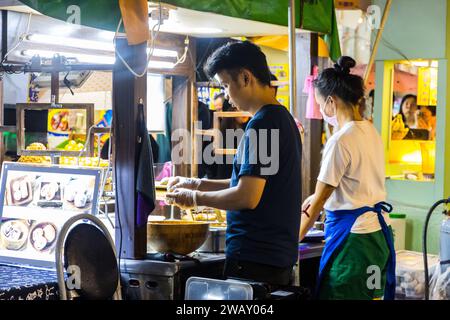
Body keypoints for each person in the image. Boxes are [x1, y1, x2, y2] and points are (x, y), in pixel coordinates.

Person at [164, 41, 302, 286]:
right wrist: (195, 183)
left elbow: (246, 197)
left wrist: (194, 199)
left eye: (226, 85)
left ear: (246, 78)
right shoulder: (280, 118)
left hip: (255, 260)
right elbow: (246, 183)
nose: (226, 95)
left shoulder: (262, 125)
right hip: (271, 259)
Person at [299, 56, 396, 300]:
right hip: (378, 236)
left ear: (330, 101)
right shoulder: (370, 131)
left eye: (321, 104)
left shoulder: (340, 140)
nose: (321, 111)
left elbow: (319, 202)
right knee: (370, 296)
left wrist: (292, 240)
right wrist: (317, 195)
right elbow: (357, 179)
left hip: (354, 242)